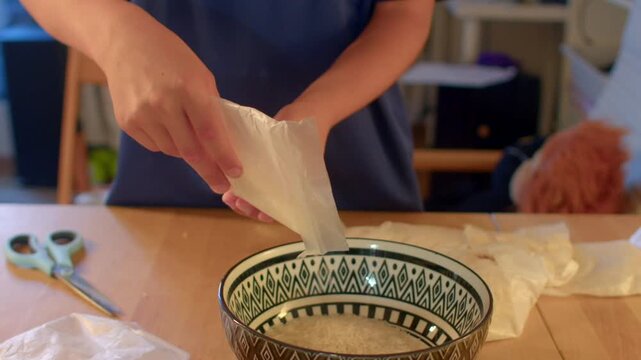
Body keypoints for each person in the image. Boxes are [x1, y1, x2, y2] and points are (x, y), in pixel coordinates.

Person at [21, 0, 434, 220]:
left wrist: (317, 112)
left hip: (353, 192)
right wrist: (115, 31)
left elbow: (405, 12)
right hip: (166, 201)